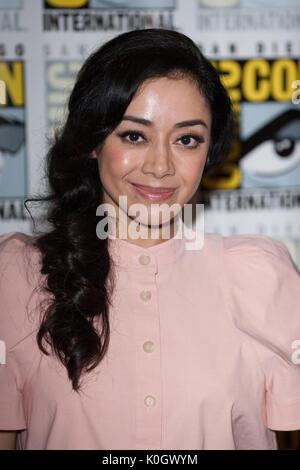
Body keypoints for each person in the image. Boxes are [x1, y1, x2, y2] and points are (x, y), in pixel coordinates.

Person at [0, 28, 300, 451]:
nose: (160, 165)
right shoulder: (16, 277)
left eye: (186, 139)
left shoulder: (260, 278)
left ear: (209, 150)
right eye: (134, 135)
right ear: (92, 141)